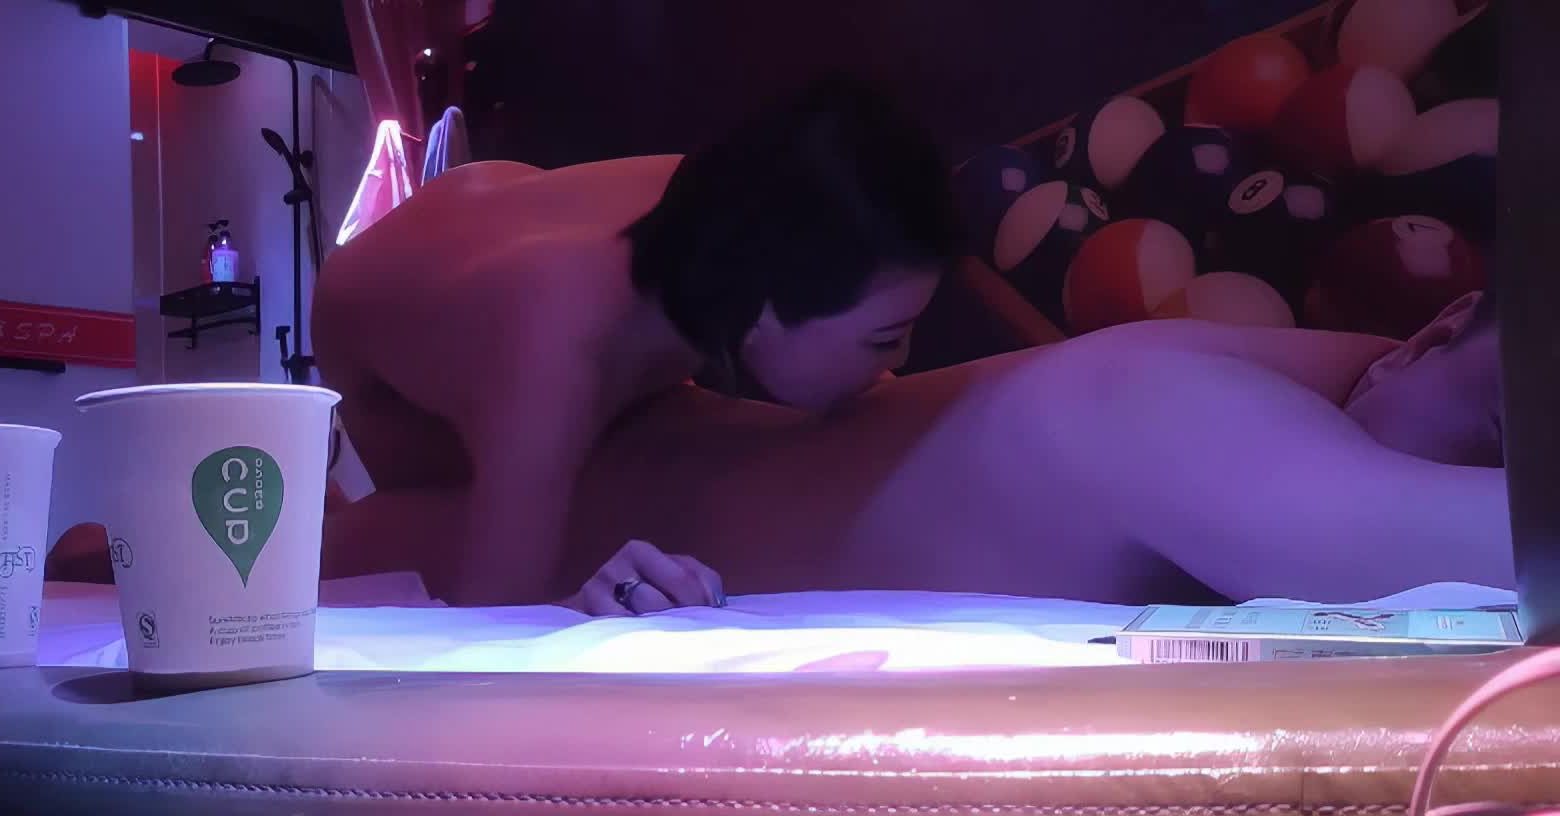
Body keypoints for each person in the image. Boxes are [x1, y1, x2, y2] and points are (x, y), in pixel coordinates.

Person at [312, 78, 1510, 614]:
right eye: (884, 334)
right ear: (760, 318)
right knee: (418, 531)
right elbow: (486, 629)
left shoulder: (741, 216)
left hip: (514, 252)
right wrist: (579, 603)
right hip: (400, 358)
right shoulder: (556, 344)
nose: (894, 367)